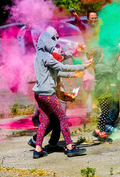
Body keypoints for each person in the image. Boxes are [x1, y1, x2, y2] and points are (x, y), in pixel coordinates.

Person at [32, 30, 91, 158]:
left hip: (39, 94)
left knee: (45, 121)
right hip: (48, 94)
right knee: (62, 118)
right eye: (52, 43)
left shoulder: (38, 56)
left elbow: (57, 73)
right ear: (46, 42)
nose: (53, 46)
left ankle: (37, 150)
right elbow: (62, 67)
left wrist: (75, 74)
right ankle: (70, 147)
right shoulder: (47, 57)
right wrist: (82, 67)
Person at [87, 46, 120, 143]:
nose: (103, 55)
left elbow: (109, 65)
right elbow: (114, 70)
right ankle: (102, 133)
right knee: (104, 112)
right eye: (102, 53)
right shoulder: (100, 66)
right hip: (102, 92)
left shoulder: (100, 65)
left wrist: (116, 58)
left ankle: (97, 130)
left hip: (101, 91)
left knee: (104, 111)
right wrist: (119, 61)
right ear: (99, 56)